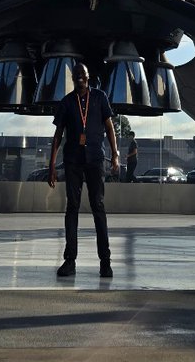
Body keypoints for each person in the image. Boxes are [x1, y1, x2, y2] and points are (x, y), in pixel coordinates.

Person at [48, 61, 119, 278]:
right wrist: (51, 165)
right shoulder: (66, 102)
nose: (79, 76)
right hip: (73, 161)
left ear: (88, 76)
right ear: (73, 78)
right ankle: (70, 261)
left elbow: (109, 127)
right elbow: (58, 135)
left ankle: (105, 262)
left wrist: (115, 154)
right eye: (76, 73)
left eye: (83, 73)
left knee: (98, 206)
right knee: (72, 207)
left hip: (95, 160)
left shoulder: (100, 97)